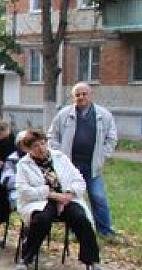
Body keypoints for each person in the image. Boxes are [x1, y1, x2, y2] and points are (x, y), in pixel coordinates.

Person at [15, 129, 103, 270]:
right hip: (41, 201)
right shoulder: (23, 165)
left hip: (66, 198)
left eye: (43, 143)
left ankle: (92, 261)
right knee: (41, 219)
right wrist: (51, 194)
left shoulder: (60, 158)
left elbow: (79, 181)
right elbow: (23, 191)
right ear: (29, 149)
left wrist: (67, 195)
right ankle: (27, 257)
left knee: (80, 218)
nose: (41, 148)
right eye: (36, 146)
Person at [47, 82, 117, 236]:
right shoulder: (63, 115)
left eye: (84, 94)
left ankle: (105, 230)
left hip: (92, 165)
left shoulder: (103, 115)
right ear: (73, 97)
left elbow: (111, 138)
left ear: (91, 95)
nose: (81, 97)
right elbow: (52, 136)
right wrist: (59, 155)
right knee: (72, 198)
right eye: (77, 95)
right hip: (70, 166)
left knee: (98, 197)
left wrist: (103, 156)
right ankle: (75, 230)